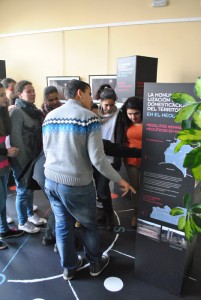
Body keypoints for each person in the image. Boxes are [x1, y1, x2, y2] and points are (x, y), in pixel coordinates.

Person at [43, 79, 135, 280]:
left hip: (50, 180)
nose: (91, 97)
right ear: (79, 93)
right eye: (88, 93)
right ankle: (95, 263)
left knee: (62, 225)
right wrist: (119, 179)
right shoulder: (88, 118)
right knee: (89, 225)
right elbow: (98, 160)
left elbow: (47, 150)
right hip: (76, 183)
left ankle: (69, 268)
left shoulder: (49, 116)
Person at [9, 80, 47, 234]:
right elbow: (16, 139)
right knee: (23, 191)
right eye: (28, 91)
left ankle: (30, 214)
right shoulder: (17, 111)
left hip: (34, 157)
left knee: (30, 188)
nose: (32, 94)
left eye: (33, 91)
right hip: (22, 160)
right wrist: (24, 163)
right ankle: (23, 222)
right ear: (19, 94)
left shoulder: (33, 110)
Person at [0, 83, 24, 250]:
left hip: (2, 164)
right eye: (1, 95)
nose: (5, 98)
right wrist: (6, 151)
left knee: (2, 201)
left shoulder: (3, 113)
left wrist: (5, 108)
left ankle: (4, 229)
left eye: (4, 94)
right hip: (2, 157)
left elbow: (7, 130)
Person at [94, 87, 119, 230]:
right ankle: (103, 213)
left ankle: (110, 216)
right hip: (94, 157)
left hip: (109, 158)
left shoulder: (119, 115)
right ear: (101, 102)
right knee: (98, 190)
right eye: (106, 105)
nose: (109, 108)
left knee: (103, 189)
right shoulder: (93, 114)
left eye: (111, 104)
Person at [116, 96, 143, 227]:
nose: (133, 117)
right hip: (131, 160)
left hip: (150, 159)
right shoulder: (124, 122)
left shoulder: (151, 121)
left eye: (136, 113)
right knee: (135, 188)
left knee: (150, 188)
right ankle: (136, 214)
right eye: (130, 114)